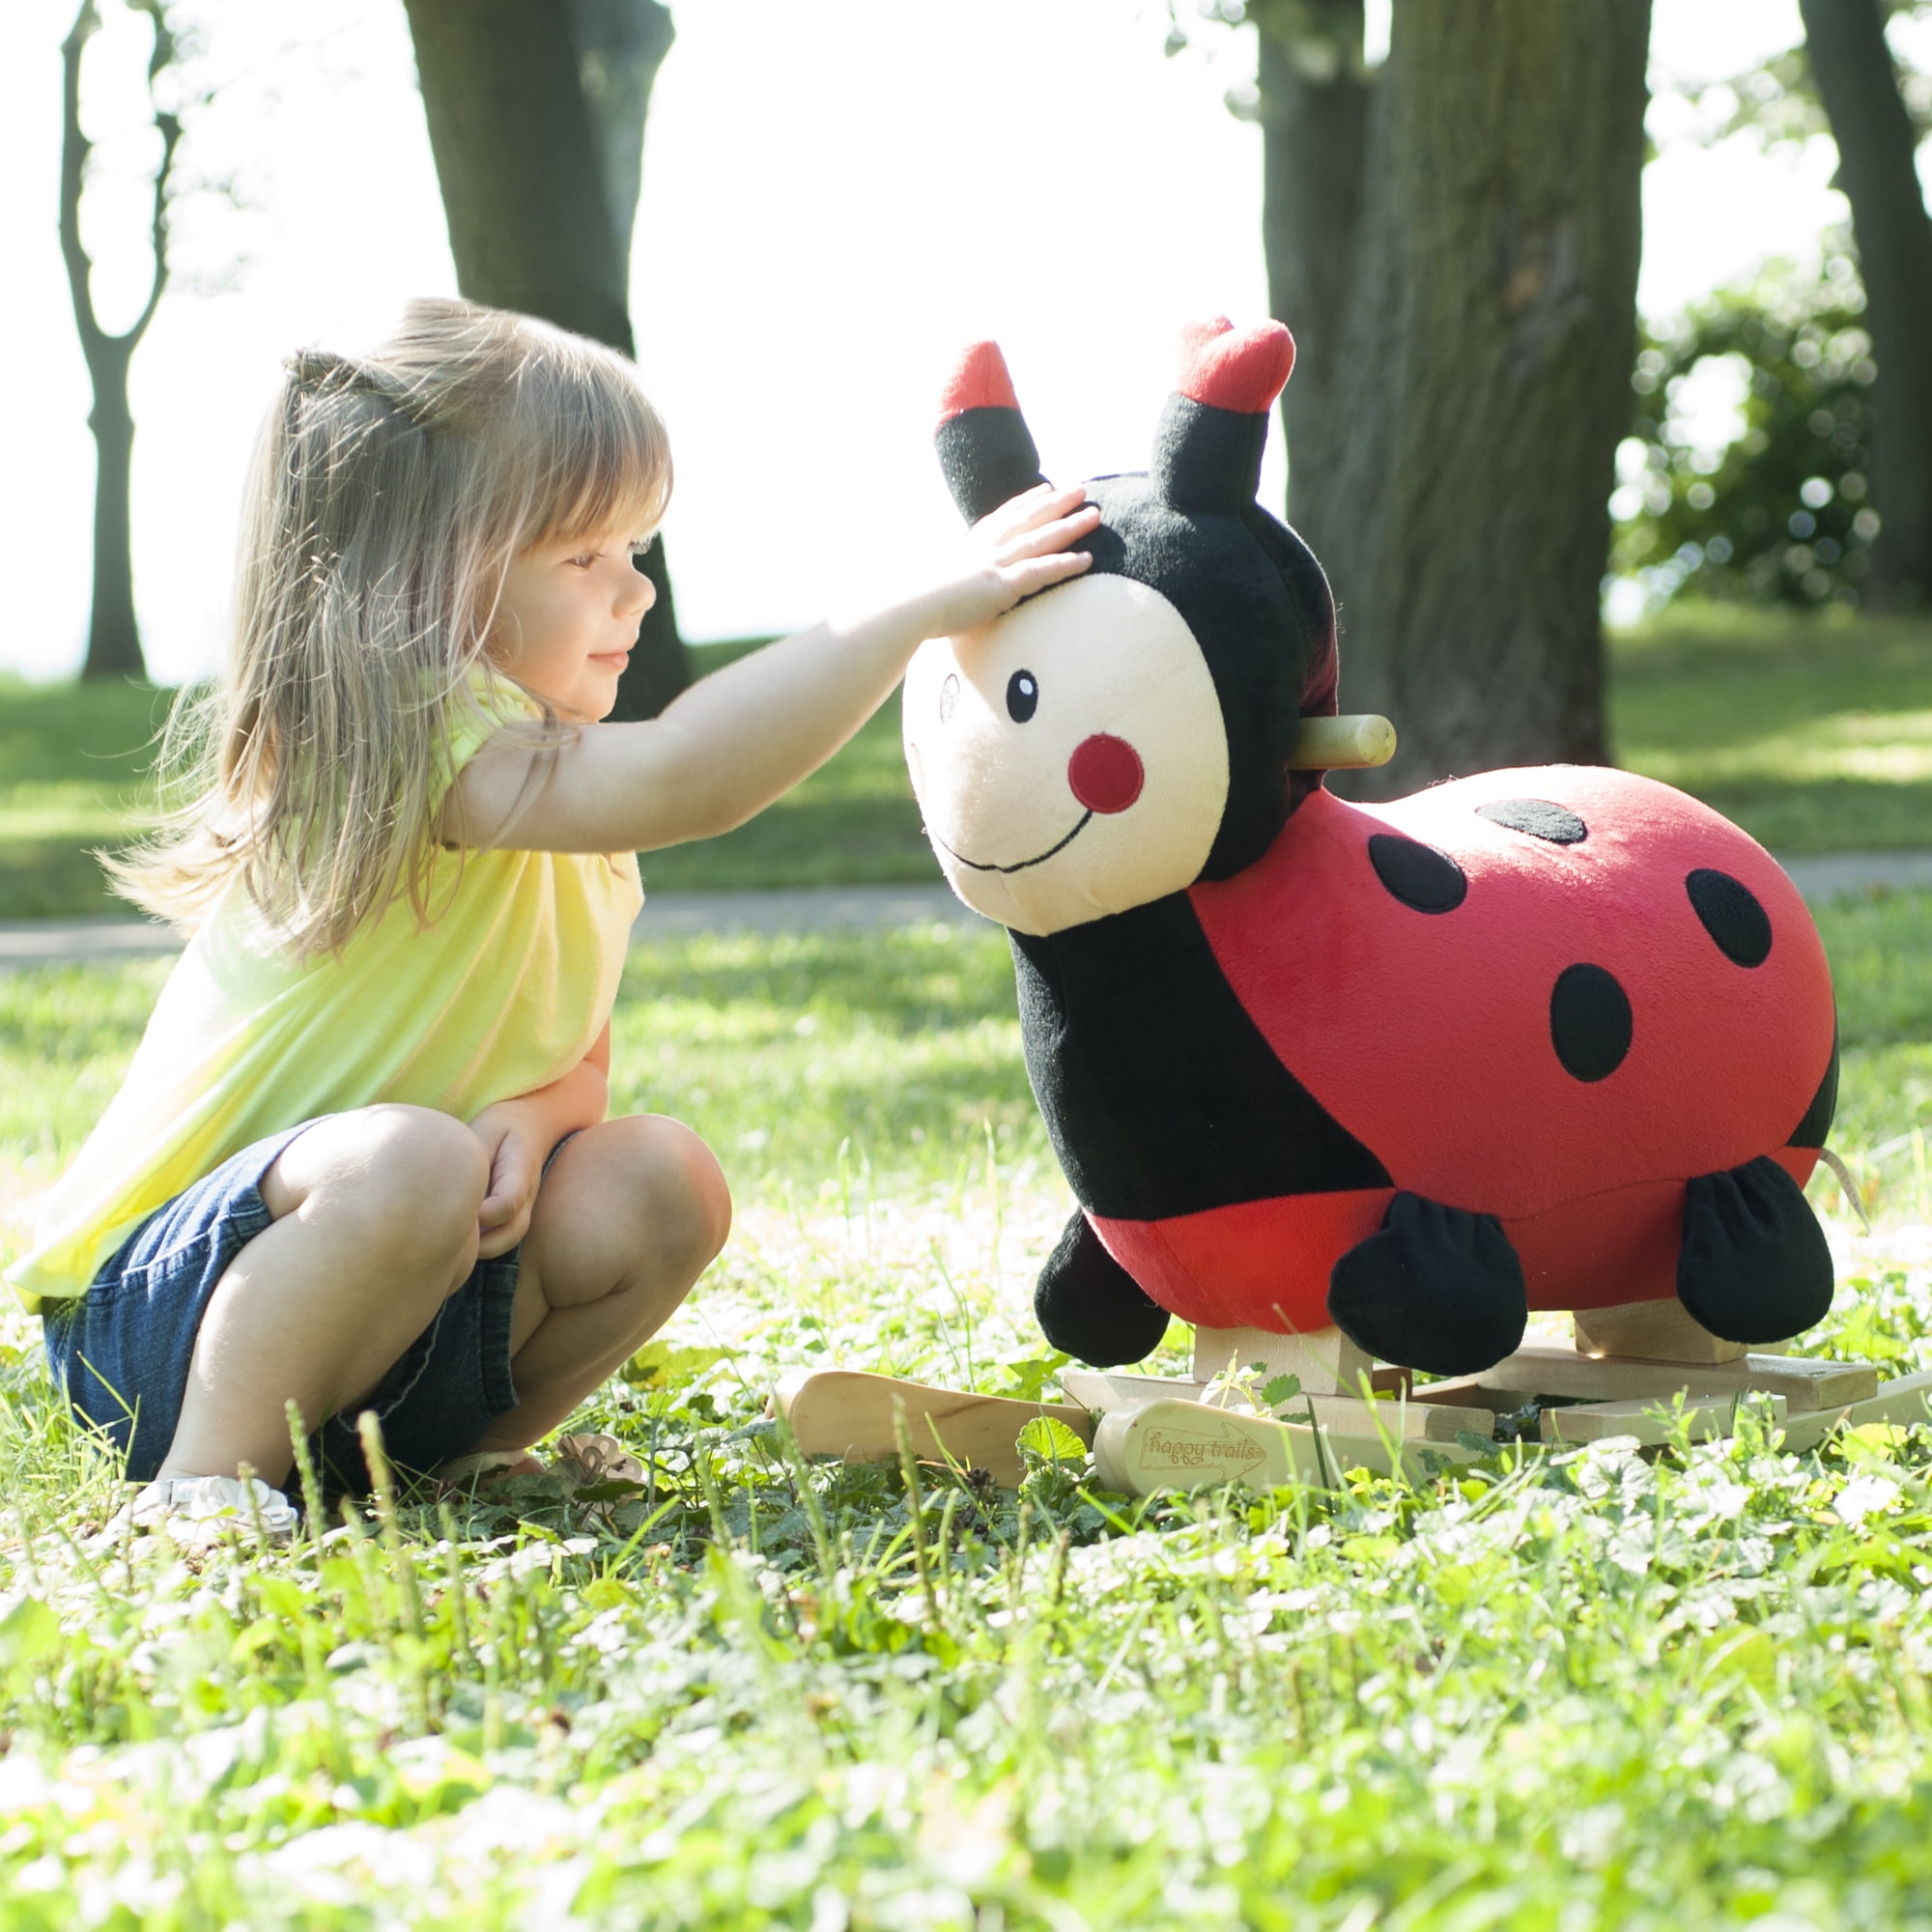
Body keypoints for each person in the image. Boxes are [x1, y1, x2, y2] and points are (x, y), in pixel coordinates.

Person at [6, 298, 1097, 1542]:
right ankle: (203, 1488)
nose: (636, 591)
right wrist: (912, 609)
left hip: (386, 1323)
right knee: (408, 1161)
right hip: (153, 1331)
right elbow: (693, 774)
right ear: (426, 576)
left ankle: (458, 1458)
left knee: (659, 1178)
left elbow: (575, 1060)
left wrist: (533, 1120)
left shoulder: (576, 820)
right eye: (584, 558)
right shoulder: (411, 745)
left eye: (635, 547)